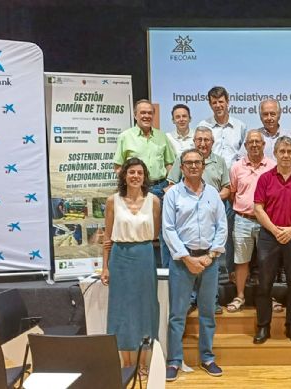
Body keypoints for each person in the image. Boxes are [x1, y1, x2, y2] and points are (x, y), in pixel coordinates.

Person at [163, 149, 228, 382]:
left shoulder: (212, 193)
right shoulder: (173, 195)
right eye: (188, 163)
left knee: (208, 313)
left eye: (197, 162)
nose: (193, 166)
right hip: (182, 262)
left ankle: (207, 357)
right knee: (177, 314)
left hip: (209, 261)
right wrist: (187, 258)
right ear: (181, 167)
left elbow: (222, 226)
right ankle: (174, 360)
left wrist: (211, 256)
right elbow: (168, 229)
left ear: (203, 166)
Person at [101, 158, 160, 378]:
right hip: (120, 258)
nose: (136, 176)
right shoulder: (112, 201)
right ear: (124, 175)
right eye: (131, 172)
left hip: (144, 256)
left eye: (140, 173)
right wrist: (105, 267)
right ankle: (126, 363)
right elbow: (107, 237)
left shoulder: (153, 201)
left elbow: (155, 233)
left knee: (146, 309)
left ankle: (143, 363)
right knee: (121, 310)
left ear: (145, 177)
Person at [167, 127, 230, 314]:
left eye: (207, 140)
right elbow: (171, 185)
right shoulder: (183, 158)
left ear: (213, 142)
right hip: (186, 223)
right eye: (199, 139)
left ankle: (211, 300)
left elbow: (227, 188)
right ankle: (190, 300)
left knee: (212, 267)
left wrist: (208, 200)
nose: (203, 143)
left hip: (211, 211)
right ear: (194, 141)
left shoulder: (220, 162)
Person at [253, 136, 291, 345]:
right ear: (274, 154)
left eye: (289, 152)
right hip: (269, 236)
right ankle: (263, 327)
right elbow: (258, 208)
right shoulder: (265, 178)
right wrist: (276, 230)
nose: (286, 155)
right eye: (282, 151)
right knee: (264, 284)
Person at [113, 99, 176, 268]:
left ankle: (165, 271)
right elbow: (118, 167)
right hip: (136, 192)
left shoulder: (162, 137)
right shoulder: (125, 137)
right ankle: (139, 269)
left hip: (160, 188)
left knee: (165, 233)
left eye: (150, 113)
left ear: (154, 115)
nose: (147, 116)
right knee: (137, 231)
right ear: (135, 115)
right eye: (143, 113)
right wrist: (130, 187)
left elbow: (171, 163)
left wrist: (170, 184)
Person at [198, 86, 247, 281]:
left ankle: (231, 272)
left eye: (221, 101)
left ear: (228, 101)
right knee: (209, 231)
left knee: (231, 232)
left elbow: (243, 157)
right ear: (210, 104)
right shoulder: (204, 125)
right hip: (208, 187)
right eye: (214, 102)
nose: (218, 105)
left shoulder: (240, 126)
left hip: (232, 187)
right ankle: (212, 272)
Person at [226, 130, 276, 313]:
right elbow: (232, 194)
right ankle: (240, 296)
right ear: (245, 146)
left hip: (266, 222)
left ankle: (268, 296)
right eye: (250, 142)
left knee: (267, 262)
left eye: (258, 142)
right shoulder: (236, 167)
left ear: (264, 145)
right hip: (243, 220)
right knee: (241, 261)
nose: (254, 145)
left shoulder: (273, 166)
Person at [258, 99, 291, 168]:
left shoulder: (290, 135)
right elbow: (242, 160)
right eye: (265, 114)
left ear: (279, 115)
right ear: (260, 117)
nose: (269, 118)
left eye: (273, 114)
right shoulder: (254, 137)